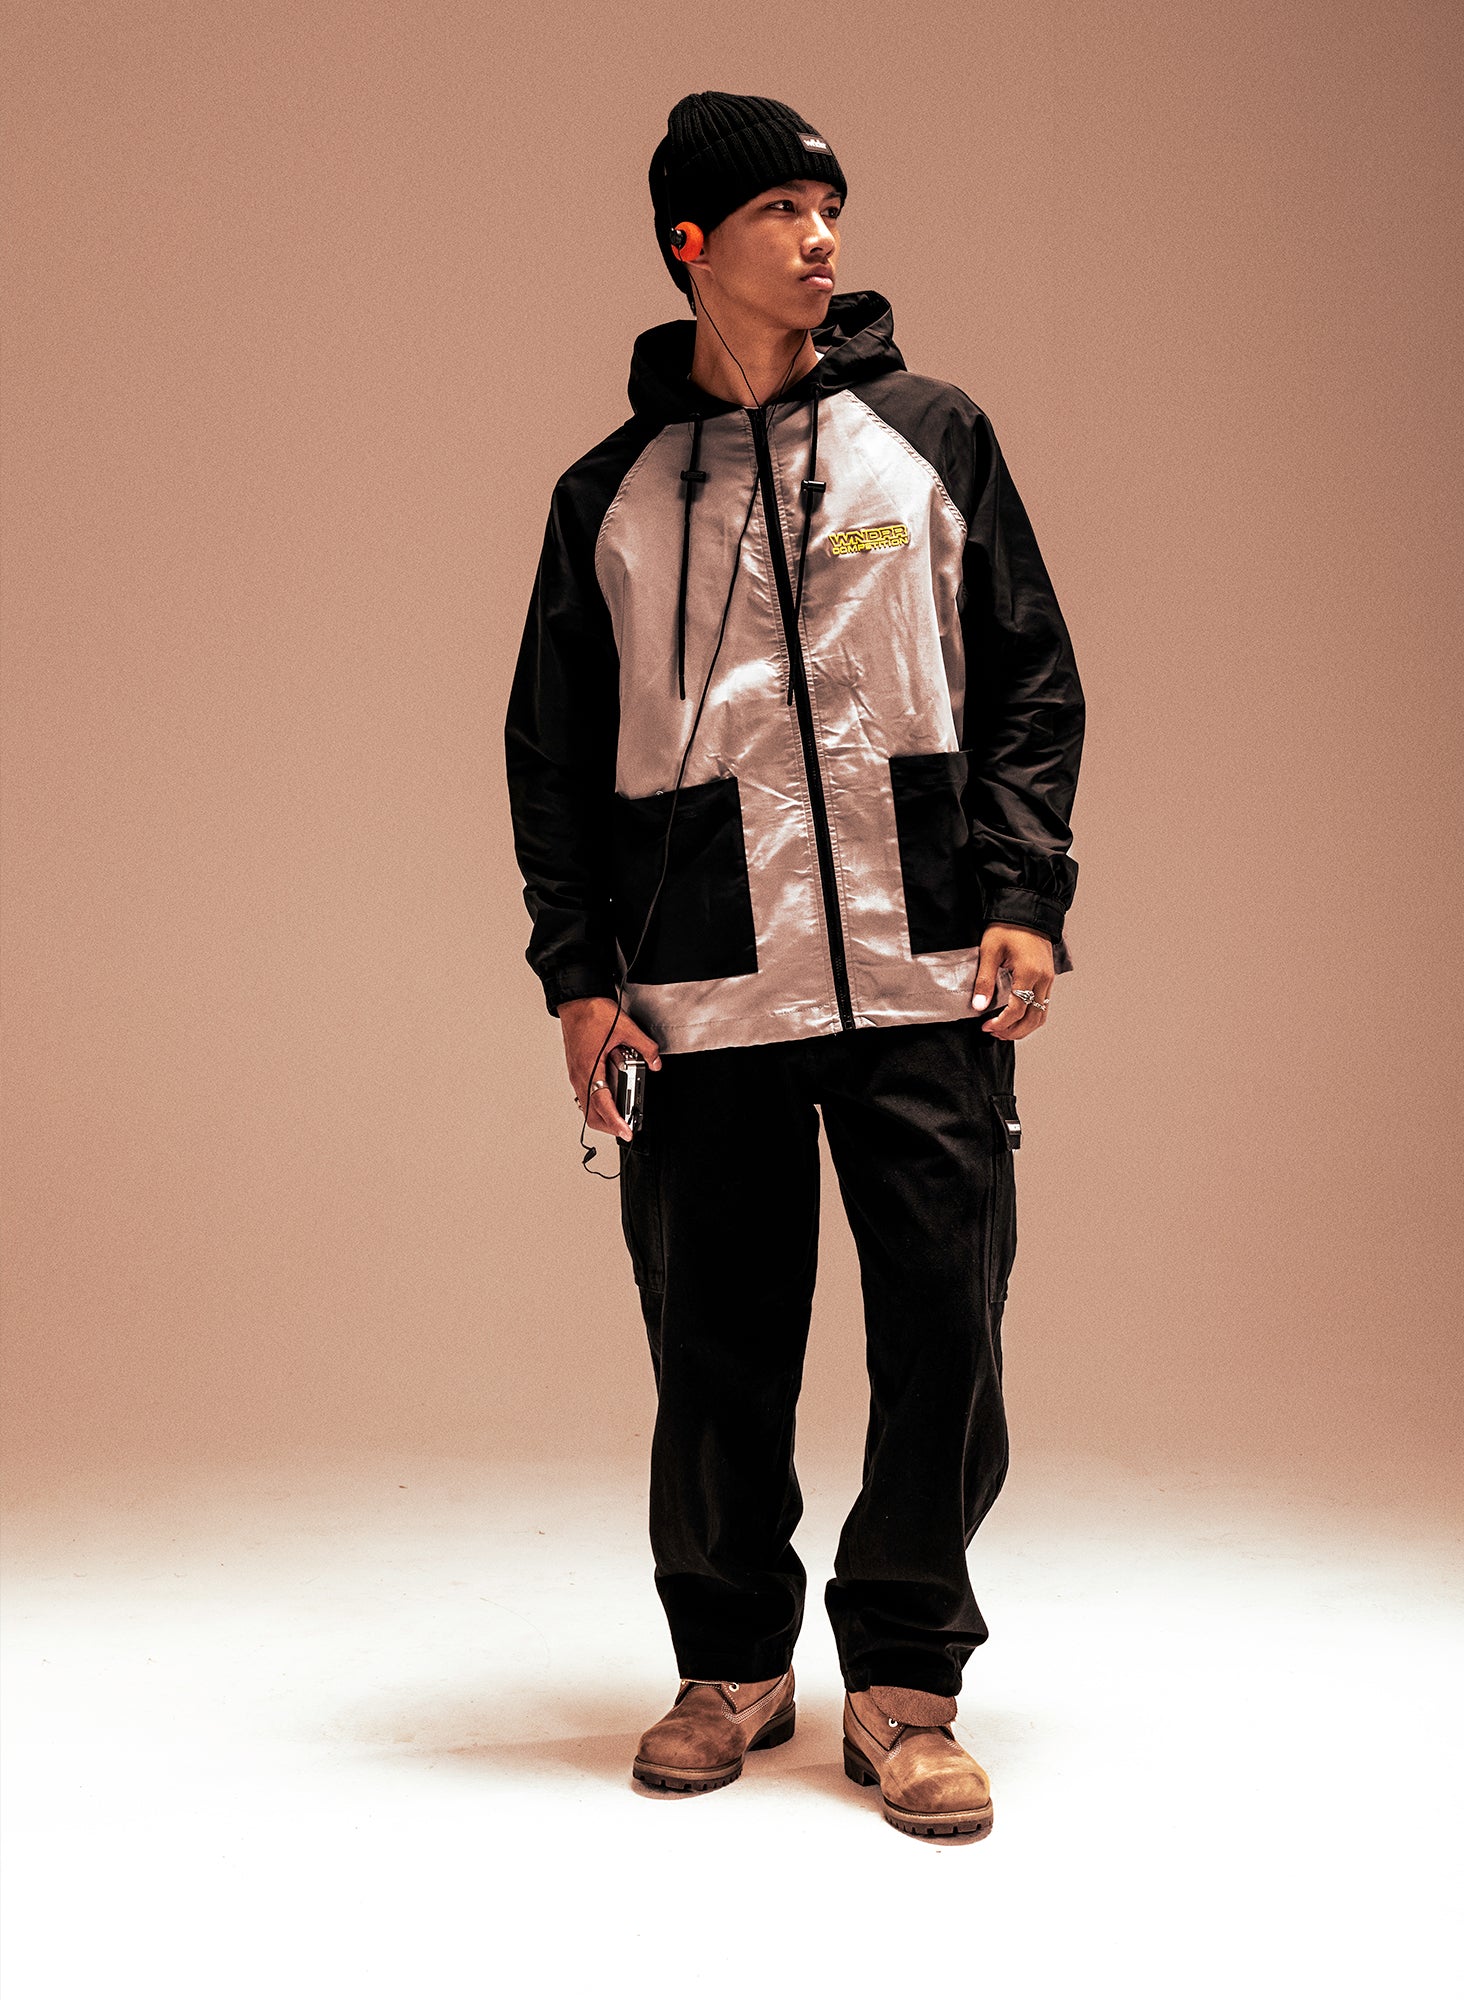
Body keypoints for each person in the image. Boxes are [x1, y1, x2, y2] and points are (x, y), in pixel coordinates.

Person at [504, 90, 1086, 1841]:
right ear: (691, 243)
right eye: (779, 208)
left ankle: (904, 1684)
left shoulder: (931, 436)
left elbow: (1029, 680)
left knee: (946, 1336)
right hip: (698, 988)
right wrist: (578, 975)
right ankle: (731, 1664)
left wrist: (1024, 892)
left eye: (829, 204)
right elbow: (551, 753)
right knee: (714, 1349)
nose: (821, 236)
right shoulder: (609, 496)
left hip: (924, 971)